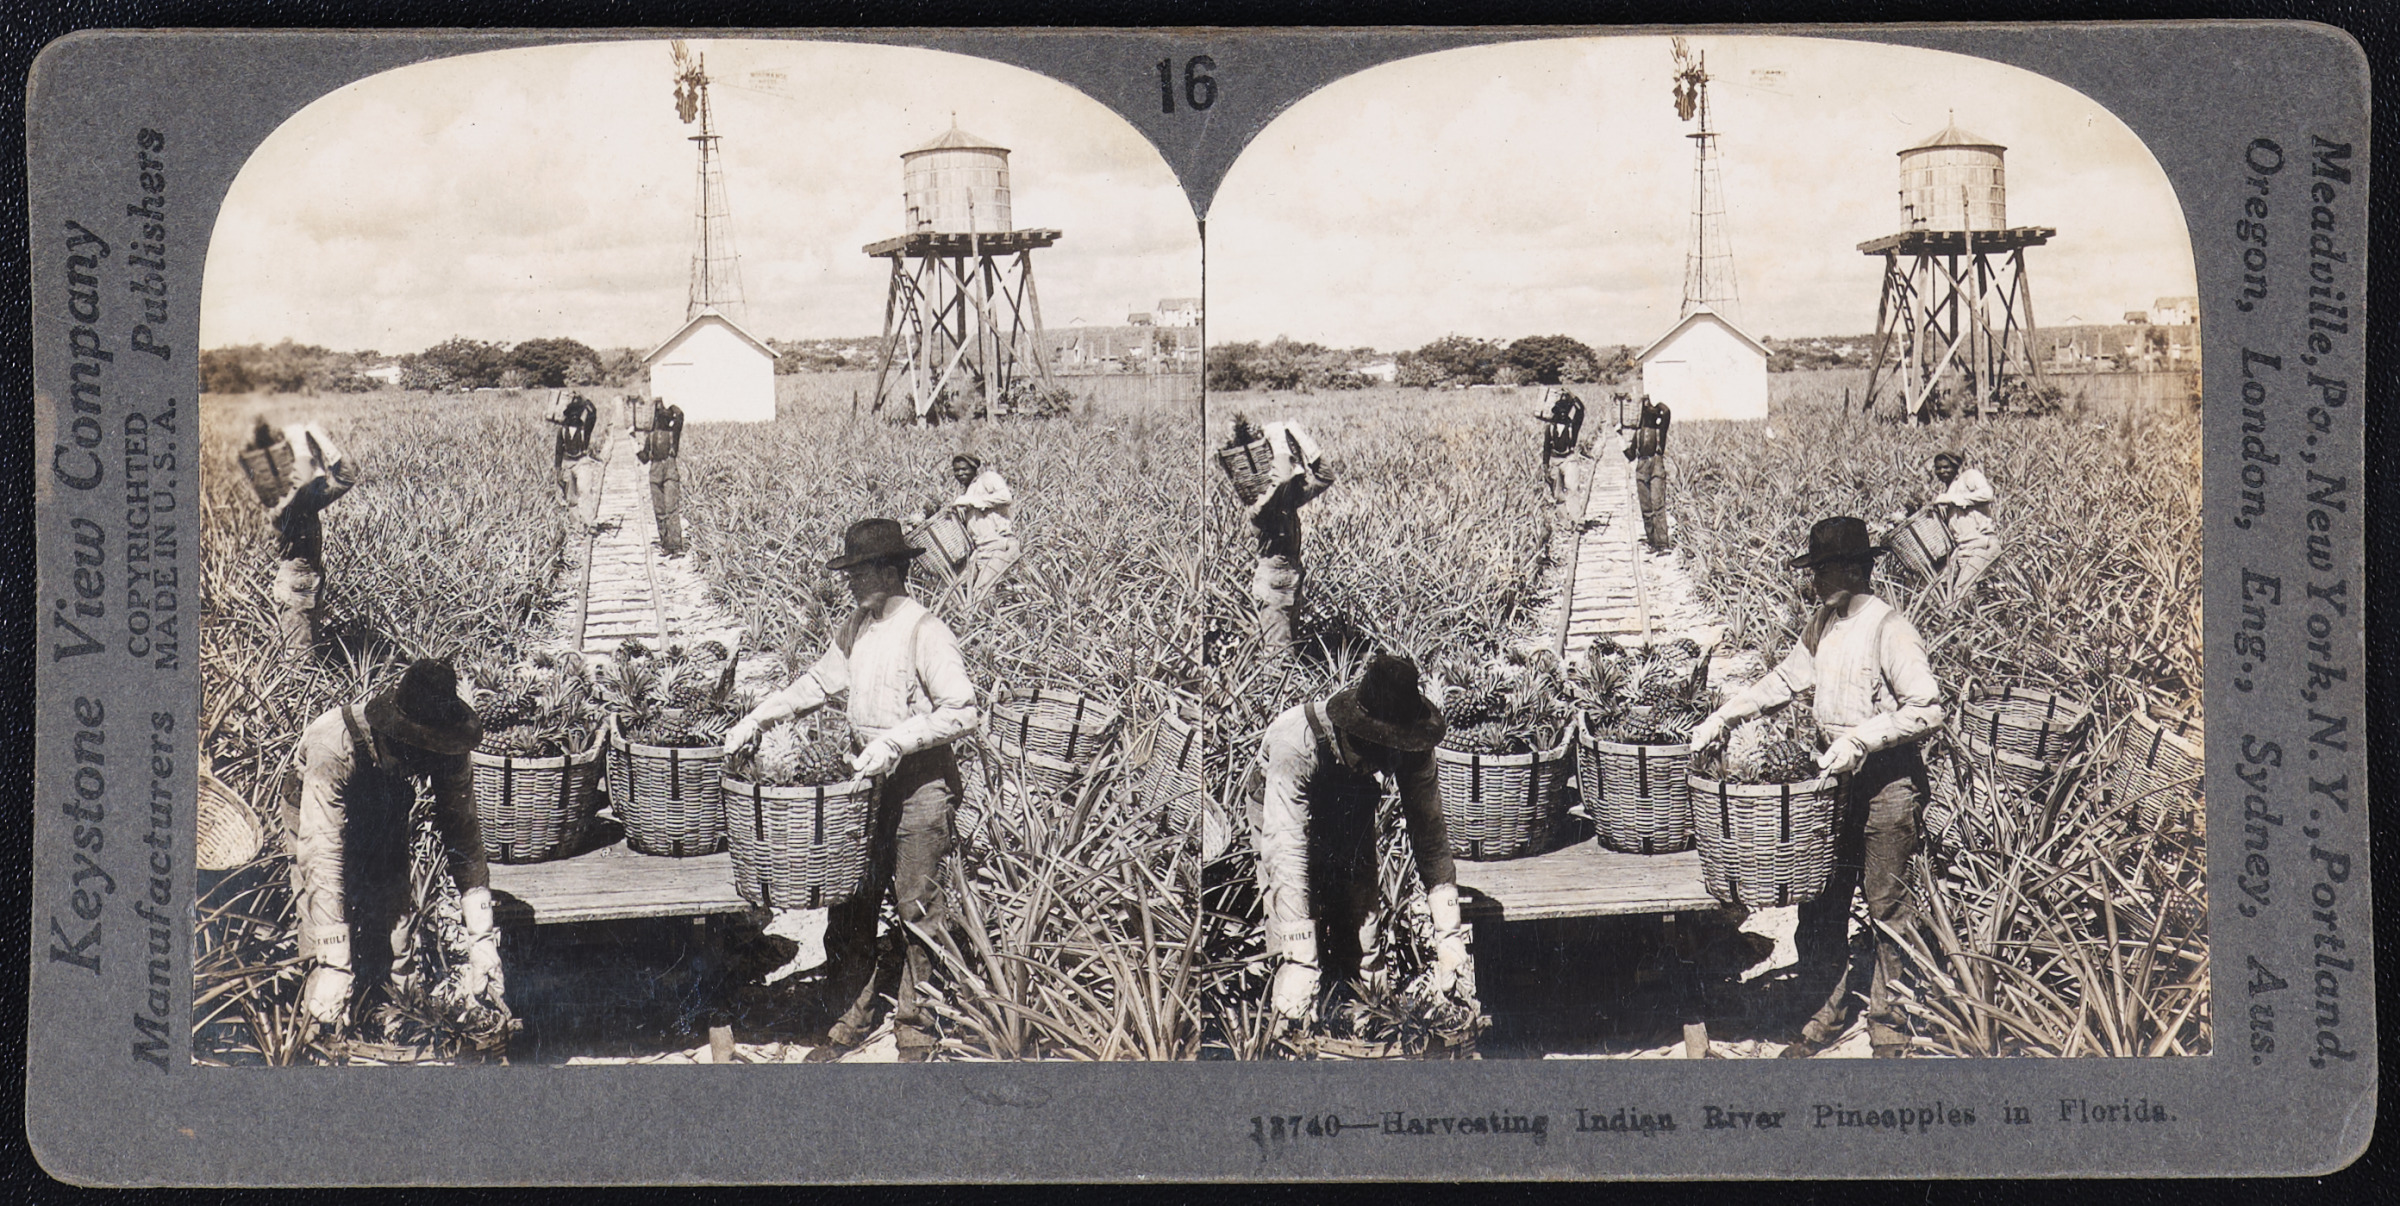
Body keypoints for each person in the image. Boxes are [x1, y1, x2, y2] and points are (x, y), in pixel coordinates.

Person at [722, 518, 981, 1062]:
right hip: (866, 785)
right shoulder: (858, 625)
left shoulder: (925, 629)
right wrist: (759, 717)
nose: (851, 582)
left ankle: (917, 1025)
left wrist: (896, 741)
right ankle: (851, 1016)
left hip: (920, 784)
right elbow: (819, 682)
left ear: (892, 570)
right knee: (853, 904)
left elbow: (962, 709)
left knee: (916, 904)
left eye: (860, 572)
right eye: (851, 572)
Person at [1686, 517, 1945, 1058]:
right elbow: (1786, 679)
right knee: (1822, 903)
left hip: (1888, 783)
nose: (1815, 582)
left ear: (1855, 568)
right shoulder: (1824, 623)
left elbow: (1927, 706)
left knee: (1886, 908)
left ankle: (1889, 1027)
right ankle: (1824, 1012)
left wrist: (1864, 738)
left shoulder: (1888, 627)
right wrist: (1727, 715)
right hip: (1835, 786)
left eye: (1823, 571)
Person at [1252, 653, 1468, 1025]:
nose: (1388, 773)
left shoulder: (1411, 744)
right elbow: (1286, 854)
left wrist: (1449, 935)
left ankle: (1364, 1019)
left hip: (1349, 813)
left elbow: (1430, 832)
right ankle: (1291, 1033)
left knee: (1363, 927)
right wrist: (1300, 959)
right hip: (1281, 816)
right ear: (1360, 734)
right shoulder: (1296, 745)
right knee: (1293, 949)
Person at [289, 659, 502, 1031]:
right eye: (421, 752)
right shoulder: (333, 745)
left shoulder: (447, 744)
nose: (427, 765)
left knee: (394, 927)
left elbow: (463, 831)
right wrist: (334, 961)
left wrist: (482, 937)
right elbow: (321, 853)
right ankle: (321, 1033)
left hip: (381, 814)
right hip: (314, 818)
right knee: (321, 942)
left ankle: (399, 1020)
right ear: (396, 737)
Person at [255, 419, 357, 652]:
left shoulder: (306, 503)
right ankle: (297, 688)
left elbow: (347, 477)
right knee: (299, 656)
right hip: (296, 583)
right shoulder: (281, 504)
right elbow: (299, 486)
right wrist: (300, 443)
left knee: (308, 648)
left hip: (309, 578)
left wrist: (318, 436)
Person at [1248, 422, 1334, 656]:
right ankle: (1274, 693)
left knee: (1288, 651)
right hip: (1274, 587)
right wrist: (1277, 438)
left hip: (1289, 583)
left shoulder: (1288, 503)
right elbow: (1283, 478)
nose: (1298, 481)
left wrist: (1298, 433)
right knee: (1278, 658)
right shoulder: (1261, 507)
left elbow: (1326, 476)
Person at [1925, 451, 1998, 609]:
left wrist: (1954, 500)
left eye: (1946, 467)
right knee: (1937, 585)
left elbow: (1988, 494)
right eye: (1938, 468)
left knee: (1962, 591)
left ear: (1955, 466)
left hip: (1981, 543)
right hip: (1962, 548)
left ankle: (1960, 623)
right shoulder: (1947, 492)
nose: (1942, 471)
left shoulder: (1969, 477)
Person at [945, 453, 1021, 603]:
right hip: (980, 550)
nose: (960, 473)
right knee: (951, 589)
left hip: (999, 545)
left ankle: (983, 623)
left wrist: (973, 501)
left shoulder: (987, 478)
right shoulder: (965, 493)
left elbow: (1006, 497)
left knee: (982, 594)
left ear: (974, 469)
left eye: (964, 469)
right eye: (956, 470)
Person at [635, 398, 686, 556]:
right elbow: (644, 458)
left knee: (668, 510)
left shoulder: (668, 435)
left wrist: (670, 406)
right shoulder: (656, 437)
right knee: (663, 510)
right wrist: (638, 449)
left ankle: (674, 545)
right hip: (659, 473)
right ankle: (668, 545)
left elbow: (680, 416)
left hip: (664, 474)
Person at [547, 389, 602, 529]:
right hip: (567, 463)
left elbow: (593, 413)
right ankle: (576, 524)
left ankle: (589, 522)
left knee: (585, 491)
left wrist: (584, 399)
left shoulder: (585, 429)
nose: (574, 418)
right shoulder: (562, 431)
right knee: (571, 497)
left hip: (582, 462)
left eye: (576, 415)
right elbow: (558, 451)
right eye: (571, 416)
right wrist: (558, 470)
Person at [1623, 396, 1672, 550]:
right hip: (1642, 468)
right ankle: (1652, 541)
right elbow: (1630, 455)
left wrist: (1656, 405)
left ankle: (1662, 543)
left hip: (1656, 466)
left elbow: (1666, 411)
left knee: (1657, 504)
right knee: (1646, 506)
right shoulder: (1638, 434)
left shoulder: (1659, 431)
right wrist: (1621, 440)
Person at [1532, 389, 1586, 504]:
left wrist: (1572, 396)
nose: (1562, 414)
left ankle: (1576, 519)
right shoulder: (1550, 428)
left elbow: (1580, 410)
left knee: (1573, 489)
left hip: (1569, 459)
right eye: (1559, 412)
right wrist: (1545, 466)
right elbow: (1546, 448)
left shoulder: (1573, 426)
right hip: (1554, 460)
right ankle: (1563, 521)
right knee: (1557, 494)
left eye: (1564, 411)